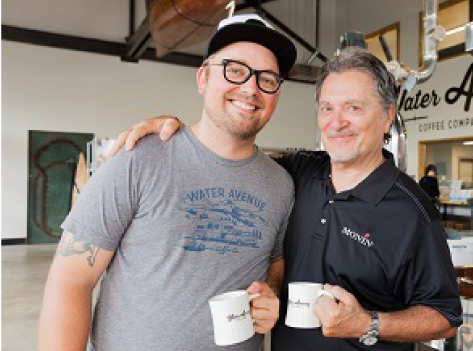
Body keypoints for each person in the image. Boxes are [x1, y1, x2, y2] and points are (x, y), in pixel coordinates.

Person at [110, 47, 463, 350]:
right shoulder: (297, 173)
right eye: (327, 108)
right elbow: (229, 156)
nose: (336, 122)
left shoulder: (413, 213)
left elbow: (444, 317)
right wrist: (178, 133)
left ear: (387, 117)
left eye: (353, 108)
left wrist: (367, 324)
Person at [38, 14, 297, 351]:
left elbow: (275, 261)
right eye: (235, 70)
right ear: (203, 78)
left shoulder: (280, 185)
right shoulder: (138, 158)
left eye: (267, 78)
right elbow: (70, 281)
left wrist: (271, 293)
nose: (251, 87)